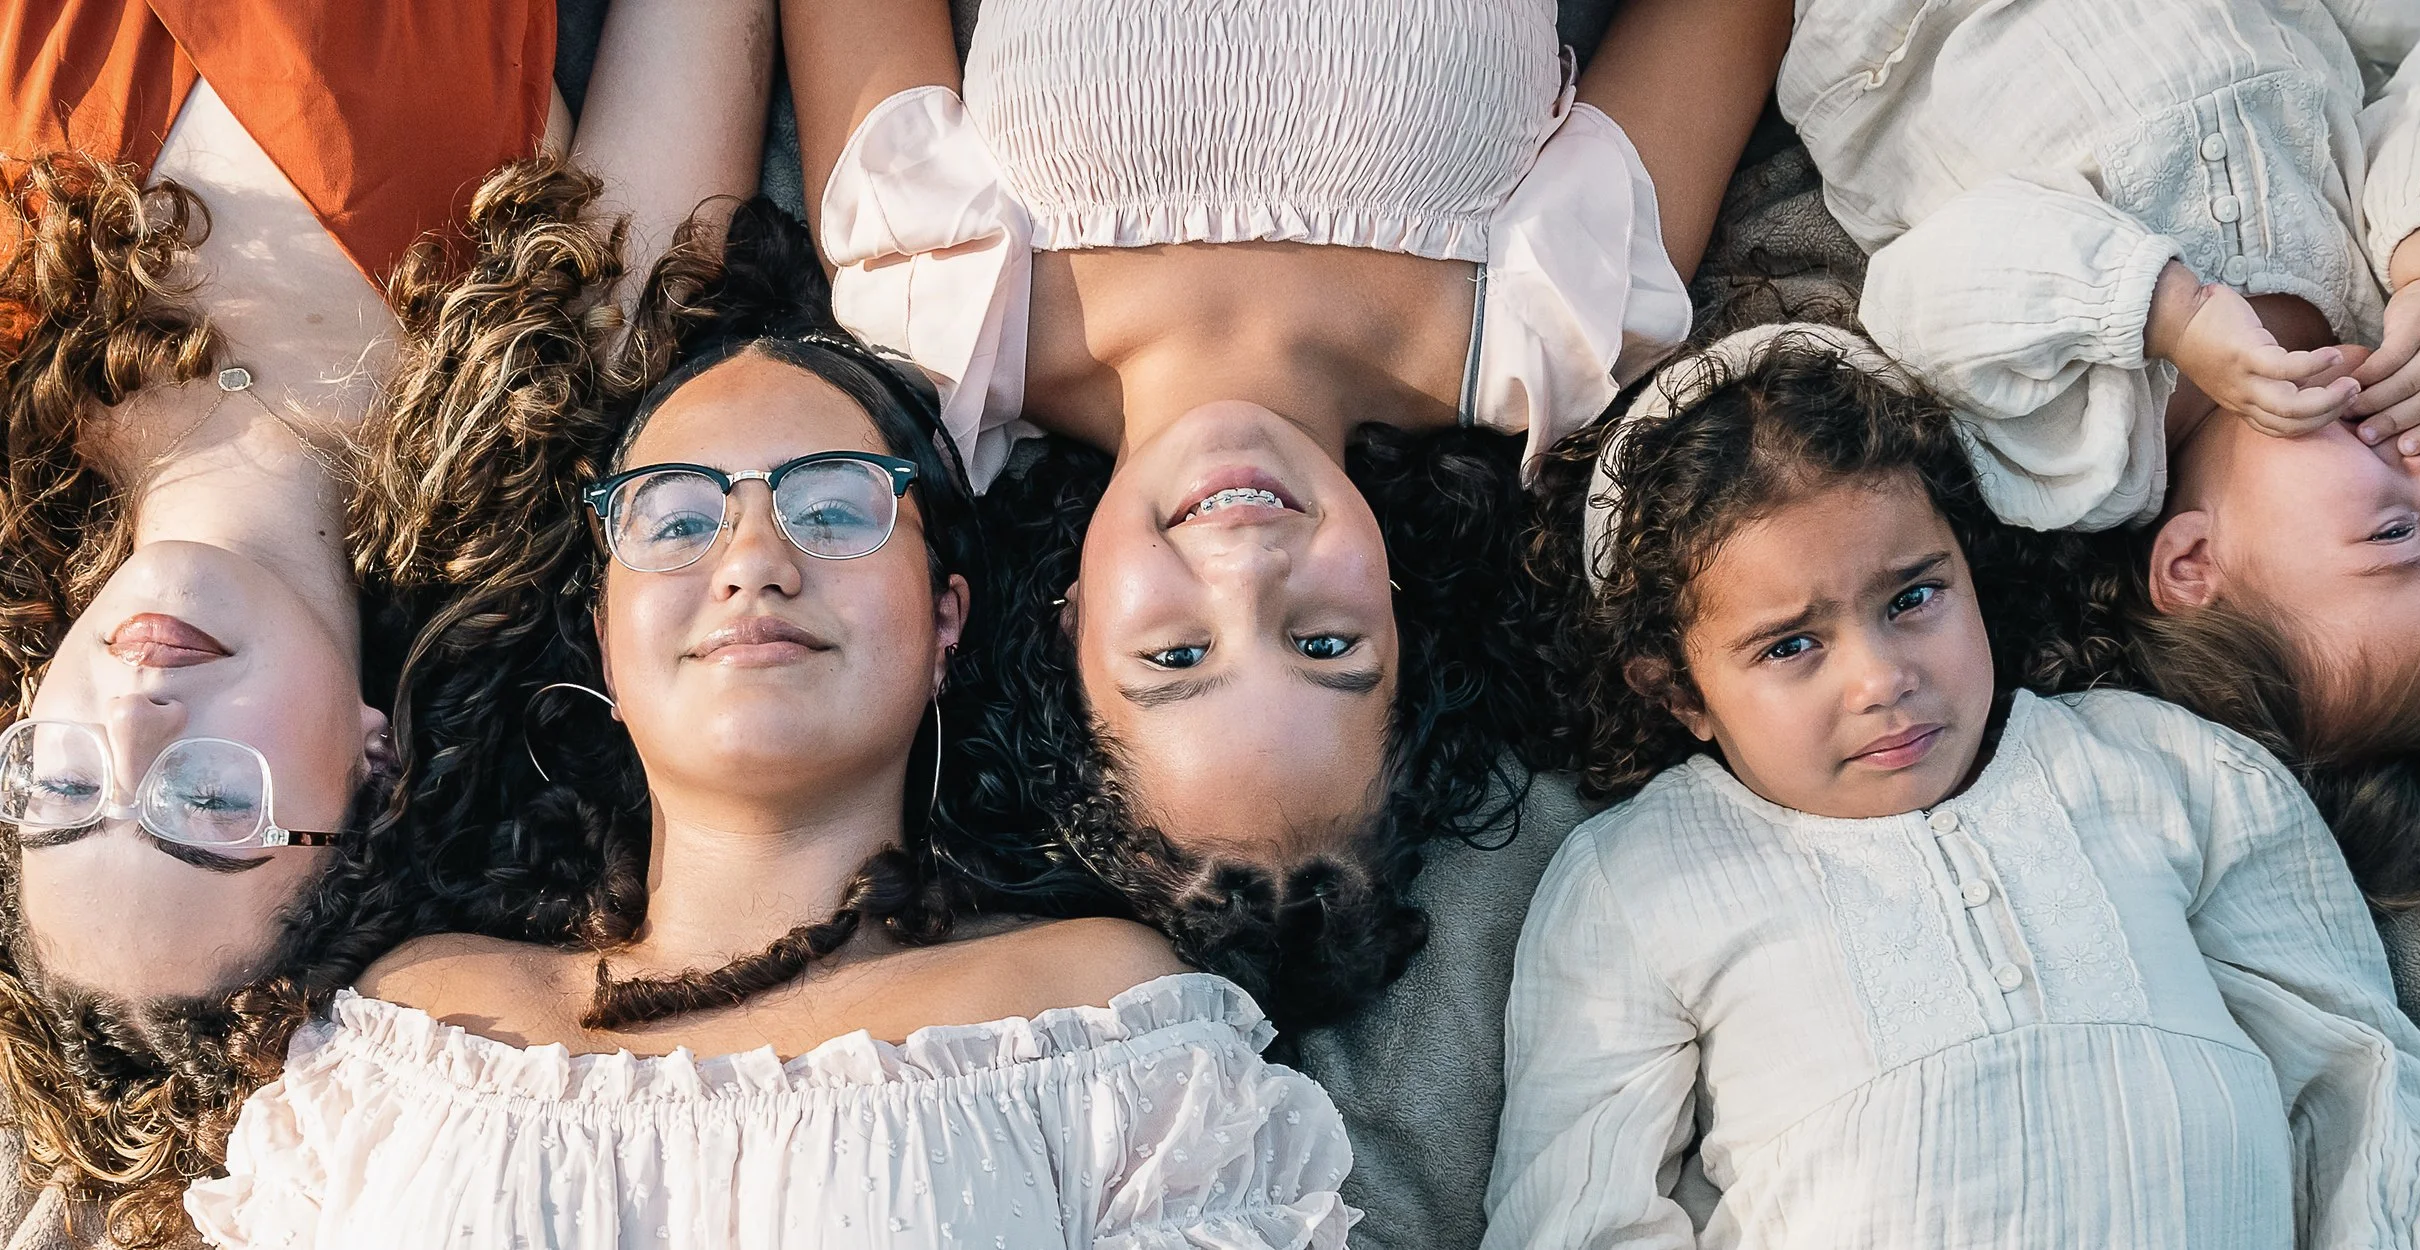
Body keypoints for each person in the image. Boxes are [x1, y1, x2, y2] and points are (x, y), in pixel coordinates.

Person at [186, 187, 1355, 1249]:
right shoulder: (409, 1030)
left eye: (835, 506)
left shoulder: (1104, 1025)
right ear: (605, 634)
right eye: (678, 520)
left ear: (947, 617)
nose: (752, 559)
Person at [780, 0, 1788, 1018]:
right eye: (1324, 643)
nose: (1246, 563)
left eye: (1175, 655)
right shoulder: (1555, 319)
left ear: (1068, 627)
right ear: (1403, 622)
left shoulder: (933, 297)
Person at [0, 2, 771, 1240]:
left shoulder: (16, 367)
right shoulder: (560, 362)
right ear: (373, 771)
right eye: (208, 802)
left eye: (66, 788)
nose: (137, 718)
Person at [1489, 324, 2420, 1248]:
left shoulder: (2169, 766)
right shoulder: (1635, 880)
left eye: (1913, 596)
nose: (1880, 678)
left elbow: (2366, 1078)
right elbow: (1575, 1212)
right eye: (1791, 643)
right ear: (1678, 690)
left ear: (1971, 565)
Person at [1778, 0, 2420, 905]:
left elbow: (1924, 287)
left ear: (2195, 564)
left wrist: (2168, 312)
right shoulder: (2411, 317)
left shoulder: (2072, 446)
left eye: (2395, 532)